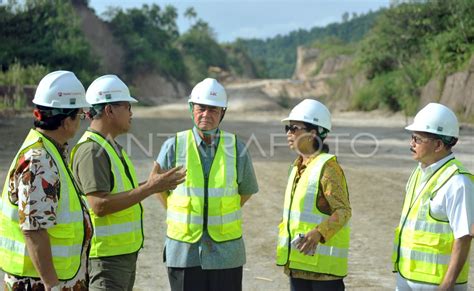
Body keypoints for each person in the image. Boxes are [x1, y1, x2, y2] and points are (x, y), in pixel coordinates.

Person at [70, 74, 186, 290]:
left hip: (119, 258)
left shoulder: (108, 146)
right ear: (109, 110)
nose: (132, 113)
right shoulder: (92, 150)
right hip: (105, 259)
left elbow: (118, 192)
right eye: (127, 106)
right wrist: (150, 188)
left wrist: (152, 184)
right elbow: (99, 205)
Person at [155, 78, 259, 291]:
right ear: (191, 108)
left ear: (223, 113)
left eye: (213, 110)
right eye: (201, 108)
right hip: (184, 252)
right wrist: (179, 210)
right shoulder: (173, 146)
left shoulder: (237, 148)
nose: (206, 115)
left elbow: (246, 191)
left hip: (226, 253)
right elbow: (156, 187)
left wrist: (219, 211)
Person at [0, 71, 91, 290]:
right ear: (66, 120)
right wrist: (53, 286)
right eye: (79, 115)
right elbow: (34, 230)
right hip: (38, 283)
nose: (80, 121)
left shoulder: (51, 152)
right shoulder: (39, 161)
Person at [393, 103, 474, 291]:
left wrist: (447, 285)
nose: (411, 143)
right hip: (406, 278)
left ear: (438, 145)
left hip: (439, 286)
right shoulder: (417, 173)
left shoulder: (458, 182)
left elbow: (463, 238)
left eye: (417, 139)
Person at [276, 99, 351, 291]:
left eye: (294, 128)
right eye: (288, 128)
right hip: (298, 264)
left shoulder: (328, 168)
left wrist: (319, 232)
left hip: (323, 274)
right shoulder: (298, 166)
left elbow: (343, 211)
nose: (289, 133)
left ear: (313, 133)